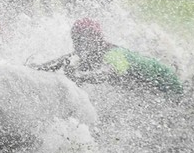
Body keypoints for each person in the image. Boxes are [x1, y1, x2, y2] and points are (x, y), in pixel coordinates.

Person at [29, 18, 183, 95]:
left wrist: (79, 77)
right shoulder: (89, 52)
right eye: (75, 40)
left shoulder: (114, 55)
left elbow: (106, 74)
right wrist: (37, 69)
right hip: (151, 87)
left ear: (96, 39)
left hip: (168, 86)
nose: (77, 45)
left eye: (81, 40)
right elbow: (64, 59)